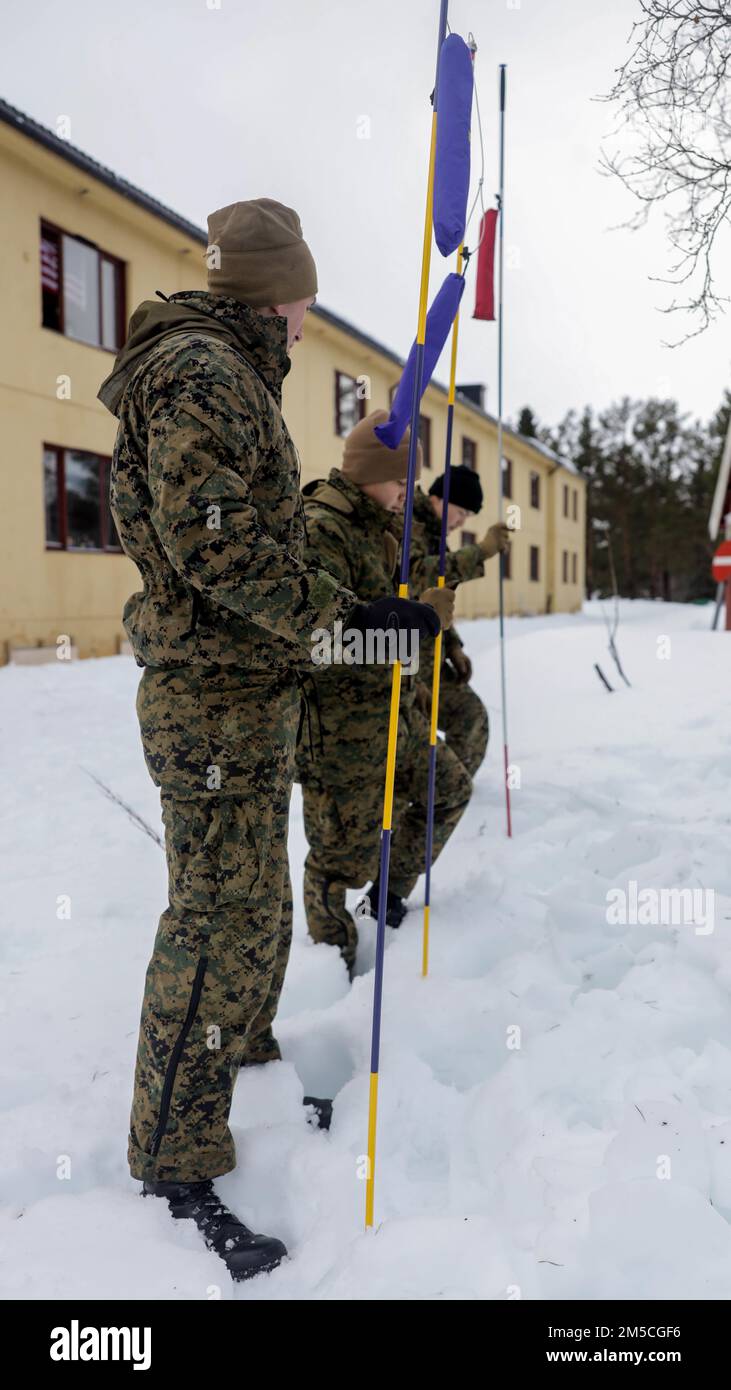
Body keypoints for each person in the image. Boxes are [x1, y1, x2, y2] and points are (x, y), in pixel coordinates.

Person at [98, 200, 446, 1280]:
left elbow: (250, 558)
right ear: (271, 289)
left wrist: (359, 625)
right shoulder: (203, 372)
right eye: (300, 299)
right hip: (211, 700)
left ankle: (236, 1054)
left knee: (244, 914)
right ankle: (174, 1150)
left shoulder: (225, 367)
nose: (306, 321)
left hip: (242, 693)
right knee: (218, 919)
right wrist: (343, 621)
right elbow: (221, 553)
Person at [297, 410, 471, 975]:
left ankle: (387, 900)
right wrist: (415, 627)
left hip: (398, 716)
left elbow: (399, 610)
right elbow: (317, 646)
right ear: (369, 472)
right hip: (344, 734)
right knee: (336, 864)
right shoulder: (323, 529)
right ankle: (332, 970)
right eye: (400, 480)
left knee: (449, 790)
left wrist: (429, 625)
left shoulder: (385, 524)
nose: (407, 493)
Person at [410, 467, 510, 778]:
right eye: (460, 511)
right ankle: (434, 795)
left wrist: (453, 645)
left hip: (431, 661)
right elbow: (417, 576)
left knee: (472, 717)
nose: (461, 521)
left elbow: (437, 602)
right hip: (403, 663)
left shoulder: (435, 535)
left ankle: (452, 788)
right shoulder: (407, 524)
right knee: (412, 740)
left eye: (467, 515)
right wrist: (480, 552)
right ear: (438, 498)